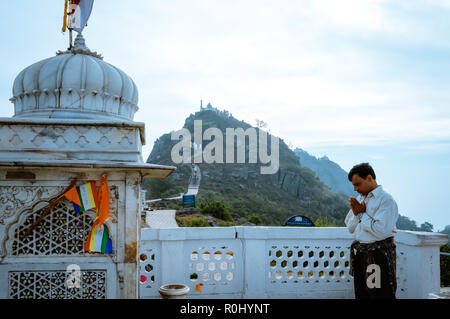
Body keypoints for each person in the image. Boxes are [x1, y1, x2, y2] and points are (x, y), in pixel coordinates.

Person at [344, 163, 399, 299]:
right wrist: (358, 214)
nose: (355, 189)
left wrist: (361, 215)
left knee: (378, 294)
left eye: (358, 184)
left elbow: (381, 231)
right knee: (362, 294)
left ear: (369, 178)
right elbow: (350, 227)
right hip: (361, 254)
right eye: (354, 185)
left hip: (376, 256)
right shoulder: (360, 199)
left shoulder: (386, 200)